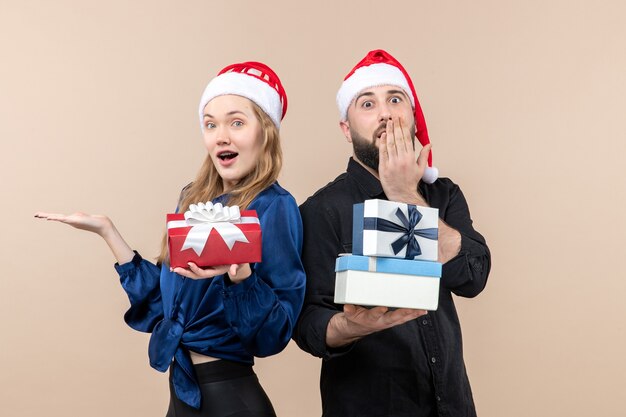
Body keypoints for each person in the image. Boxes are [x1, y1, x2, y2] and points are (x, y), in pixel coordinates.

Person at [36, 61, 305, 417]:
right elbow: (166, 308)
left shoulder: (275, 207)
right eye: (210, 124)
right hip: (182, 397)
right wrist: (108, 232)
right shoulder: (193, 200)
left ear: (265, 132)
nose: (220, 136)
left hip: (231, 399)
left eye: (236, 122)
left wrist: (240, 276)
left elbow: (273, 336)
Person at [292, 49, 491, 417]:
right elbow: (307, 325)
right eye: (367, 103)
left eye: (395, 99)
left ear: (412, 118)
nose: (385, 112)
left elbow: (473, 277)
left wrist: (404, 195)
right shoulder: (321, 210)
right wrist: (349, 326)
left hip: (451, 405)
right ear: (346, 128)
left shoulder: (443, 195)